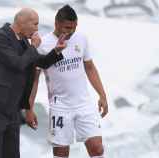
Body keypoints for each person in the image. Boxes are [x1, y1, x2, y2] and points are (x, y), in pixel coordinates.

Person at [0, 8, 66, 158]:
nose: (37, 29)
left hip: (12, 109)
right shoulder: (1, 36)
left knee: (12, 155)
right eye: (35, 24)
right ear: (22, 23)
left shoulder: (24, 41)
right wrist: (33, 47)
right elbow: (17, 63)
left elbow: (41, 62)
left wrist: (56, 51)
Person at [28, 5, 108, 158]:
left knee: (97, 148)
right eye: (67, 27)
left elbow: (90, 68)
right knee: (61, 153)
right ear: (56, 23)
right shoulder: (43, 44)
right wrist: (29, 107)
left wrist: (102, 96)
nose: (71, 31)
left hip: (84, 104)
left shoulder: (81, 38)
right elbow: (34, 80)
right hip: (60, 106)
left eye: (74, 27)